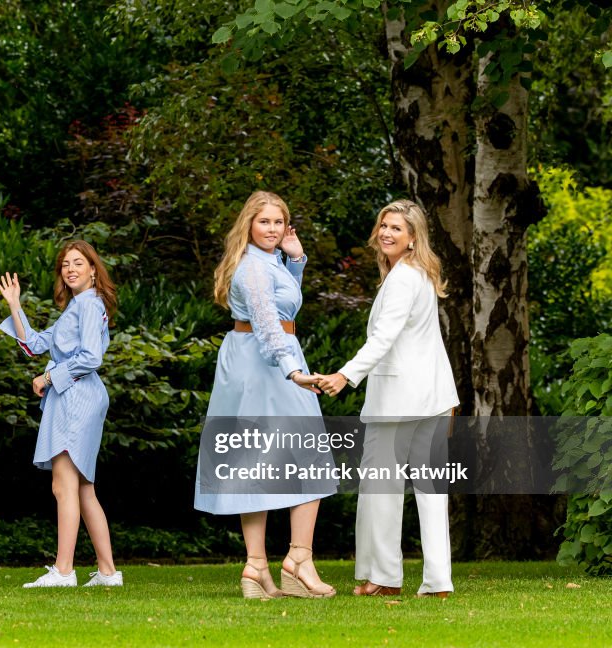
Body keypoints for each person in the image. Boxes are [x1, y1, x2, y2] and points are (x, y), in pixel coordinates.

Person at [194, 191, 336, 599]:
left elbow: (286, 306)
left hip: (256, 360)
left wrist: (296, 260)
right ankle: (298, 559)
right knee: (307, 454)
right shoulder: (253, 269)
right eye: (265, 222)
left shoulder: (267, 262)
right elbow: (269, 323)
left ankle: (257, 566)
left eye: (279, 222)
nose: (273, 229)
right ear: (249, 225)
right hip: (267, 364)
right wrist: (293, 371)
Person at [316, 199, 459, 598]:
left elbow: (384, 338)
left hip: (400, 399)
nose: (386, 233)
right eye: (383, 225)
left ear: (413, 238)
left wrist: (345, 375)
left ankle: (384, 578)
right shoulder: (421, 274)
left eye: (396, 228)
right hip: (432, 396)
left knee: (382, 488)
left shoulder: (402, 279)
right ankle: (437, 582)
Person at [0, 240, 122, 588]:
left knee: (64, 485)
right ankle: (108, 573)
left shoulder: (88, 305)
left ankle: (64, 571)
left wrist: (50, 376)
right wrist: (14, 304)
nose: (70, 269)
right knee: (83, 488)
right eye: (65, 264)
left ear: (94, 270)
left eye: (78, 263)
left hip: (75, 397)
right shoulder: (77, 308)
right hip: (76, 396)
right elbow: (35, 344)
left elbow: (91, 358)